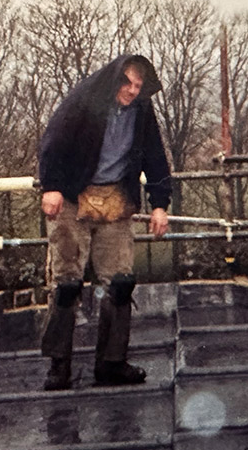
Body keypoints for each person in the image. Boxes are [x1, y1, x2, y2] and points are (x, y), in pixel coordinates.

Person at [38, 54, 171, 391]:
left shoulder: (142, 110)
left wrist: (159, 205)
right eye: (127, 82)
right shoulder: (83, 101)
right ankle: (59, 365)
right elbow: (52, 142)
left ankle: (112, 362)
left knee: (121, 282)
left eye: (139, 85)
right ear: (115, 79)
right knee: (67, 283)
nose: (132, 90)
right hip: (72, 195)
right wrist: (51, 186)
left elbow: (155, 155)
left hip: (115, 197)